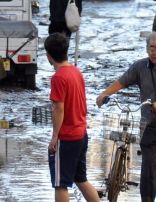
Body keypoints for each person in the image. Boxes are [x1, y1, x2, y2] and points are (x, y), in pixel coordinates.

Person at [96, 32, 156, 202]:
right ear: (147, 49)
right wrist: (104, 94)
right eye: (152, 47)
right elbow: (122, 81)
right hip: (149, 125)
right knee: (148, 164)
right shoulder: (140, 67)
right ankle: (147, 199)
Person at [45, 33, 99, 202]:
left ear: (48, 56)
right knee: (80, 179)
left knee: (60, 184)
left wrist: (55, 137)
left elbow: (58, 109)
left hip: (67, 138)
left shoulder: (58, 78)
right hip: (81, 134)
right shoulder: (76, 71)